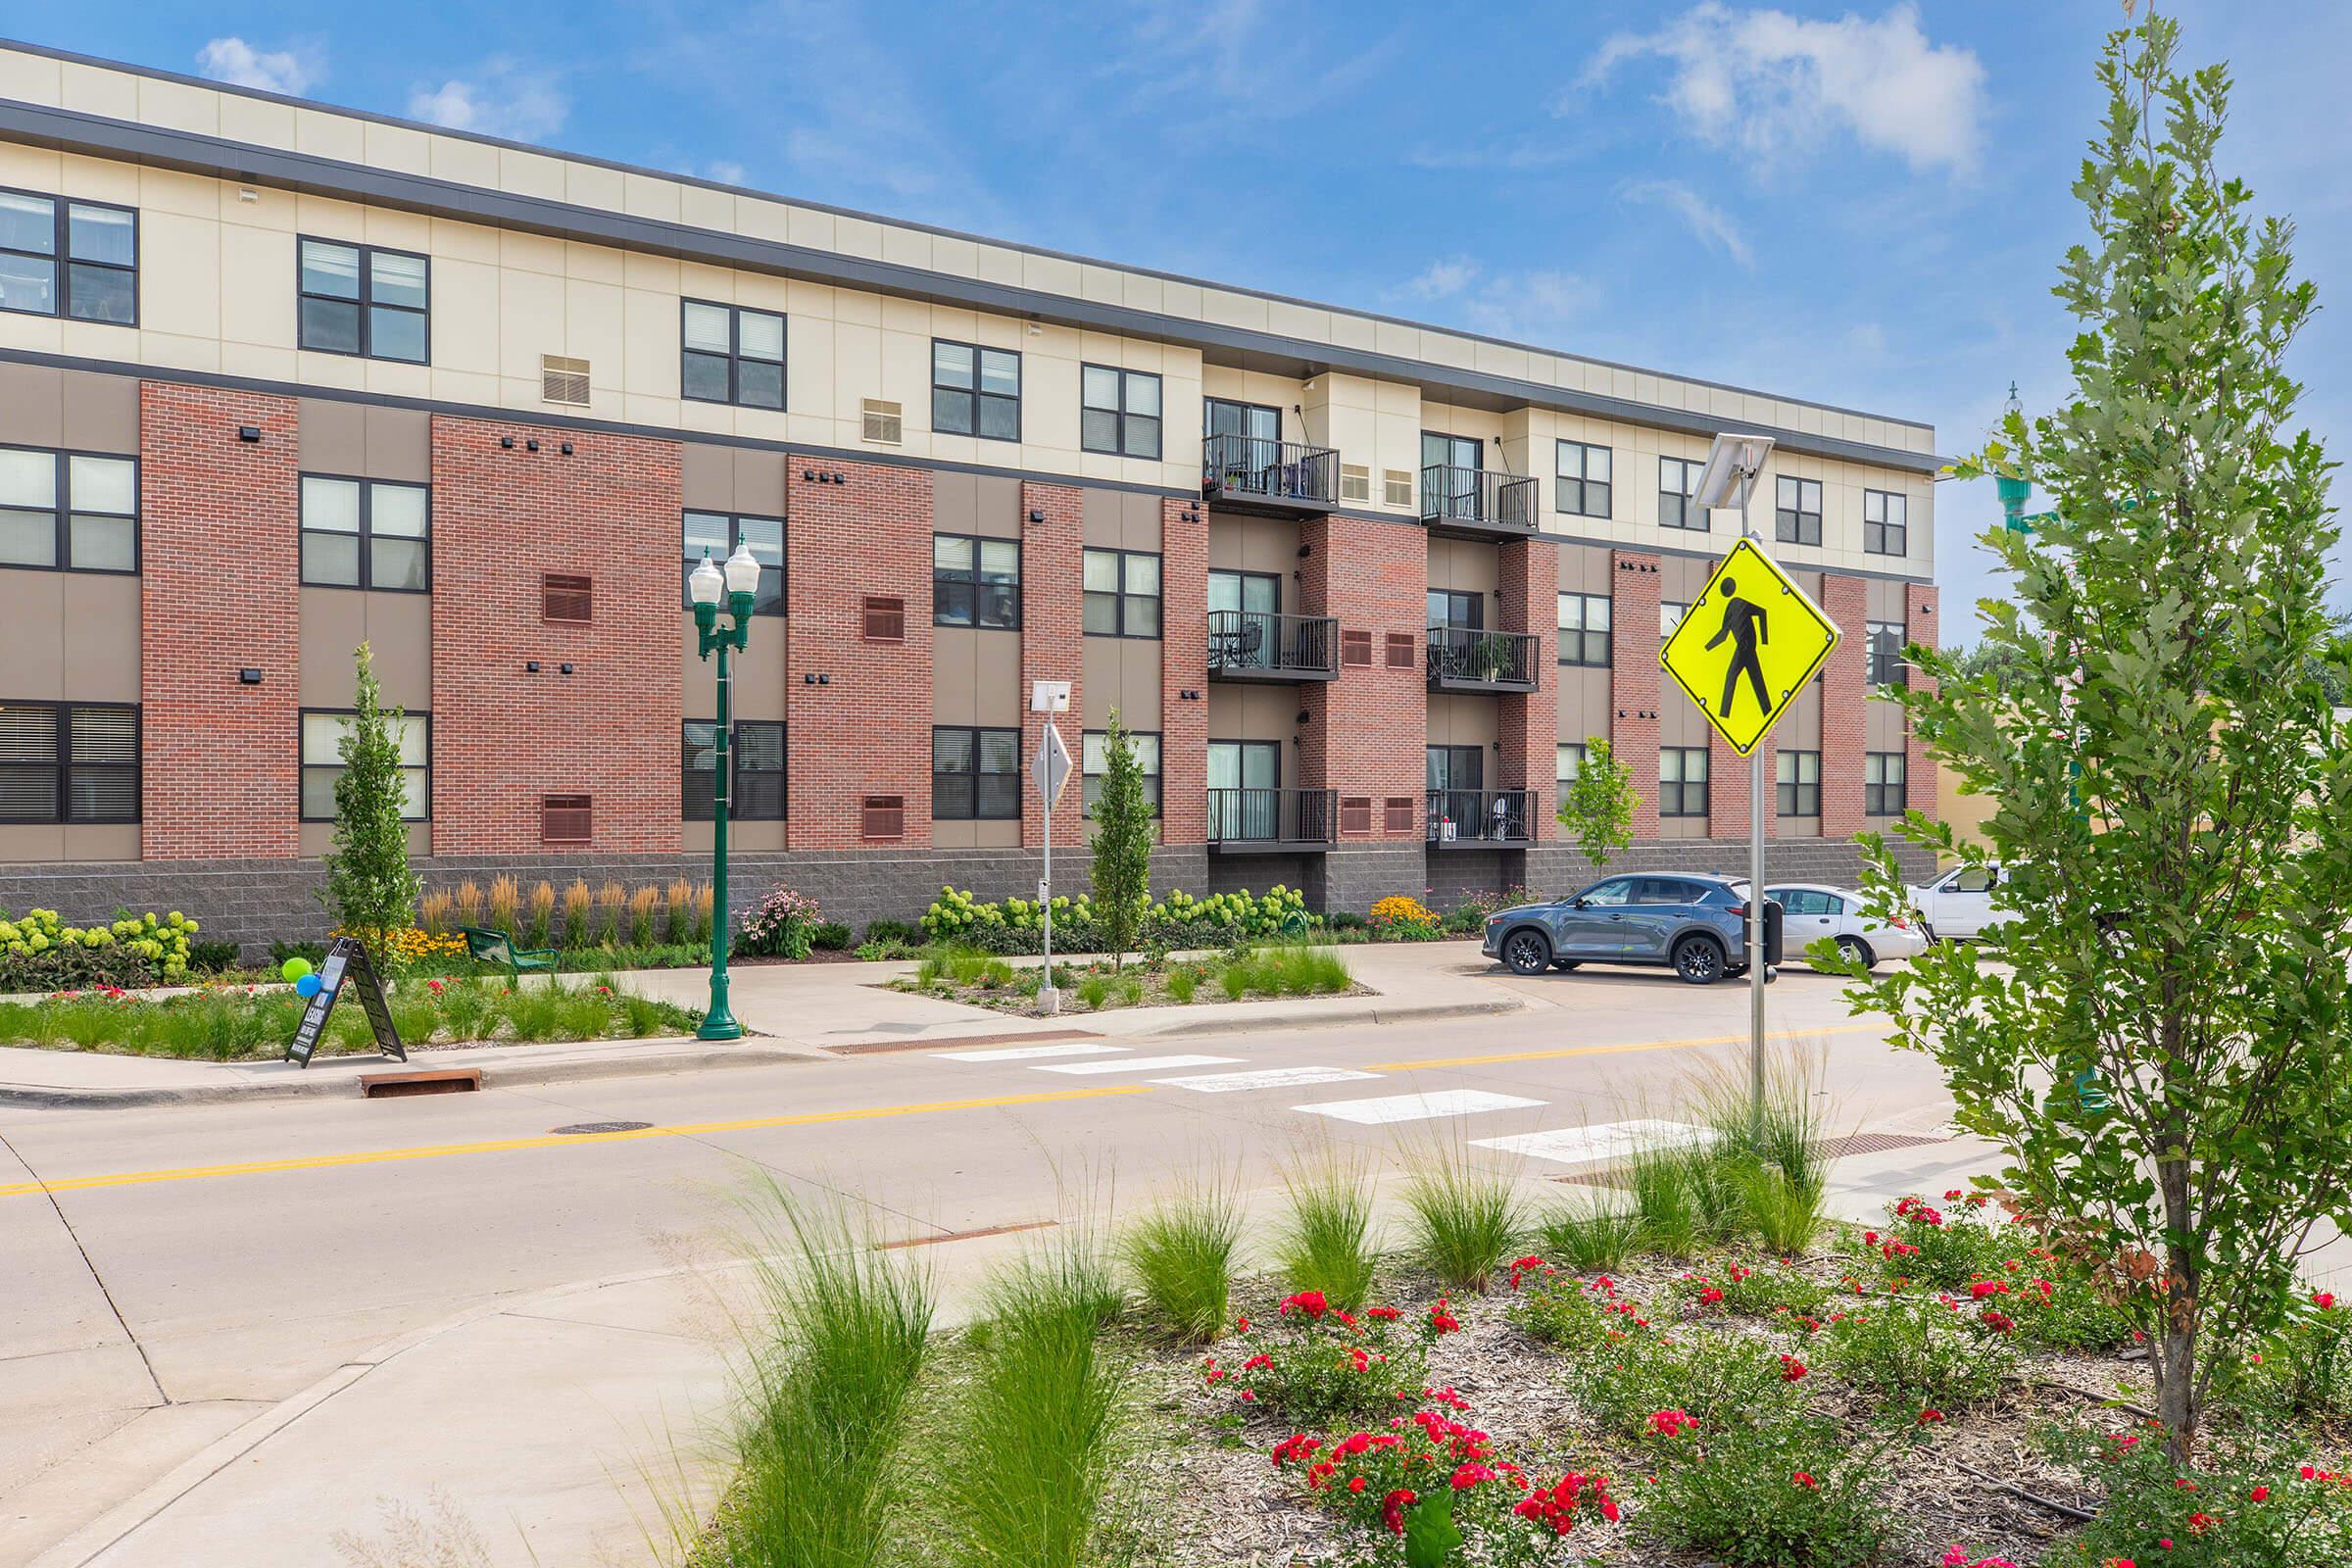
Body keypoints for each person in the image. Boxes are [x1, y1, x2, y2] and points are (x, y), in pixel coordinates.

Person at [1704, 576, 1771, 719]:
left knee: (1731, 676)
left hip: (1746, 645)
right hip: (1745, 646)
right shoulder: (1730, 608)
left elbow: (1762, 612)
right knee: (1756, 680)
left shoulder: (1738, 602)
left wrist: (1765, 640)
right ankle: (1767, 711)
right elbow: (1723, 635)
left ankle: (1724, 714)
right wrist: (1706, 648)